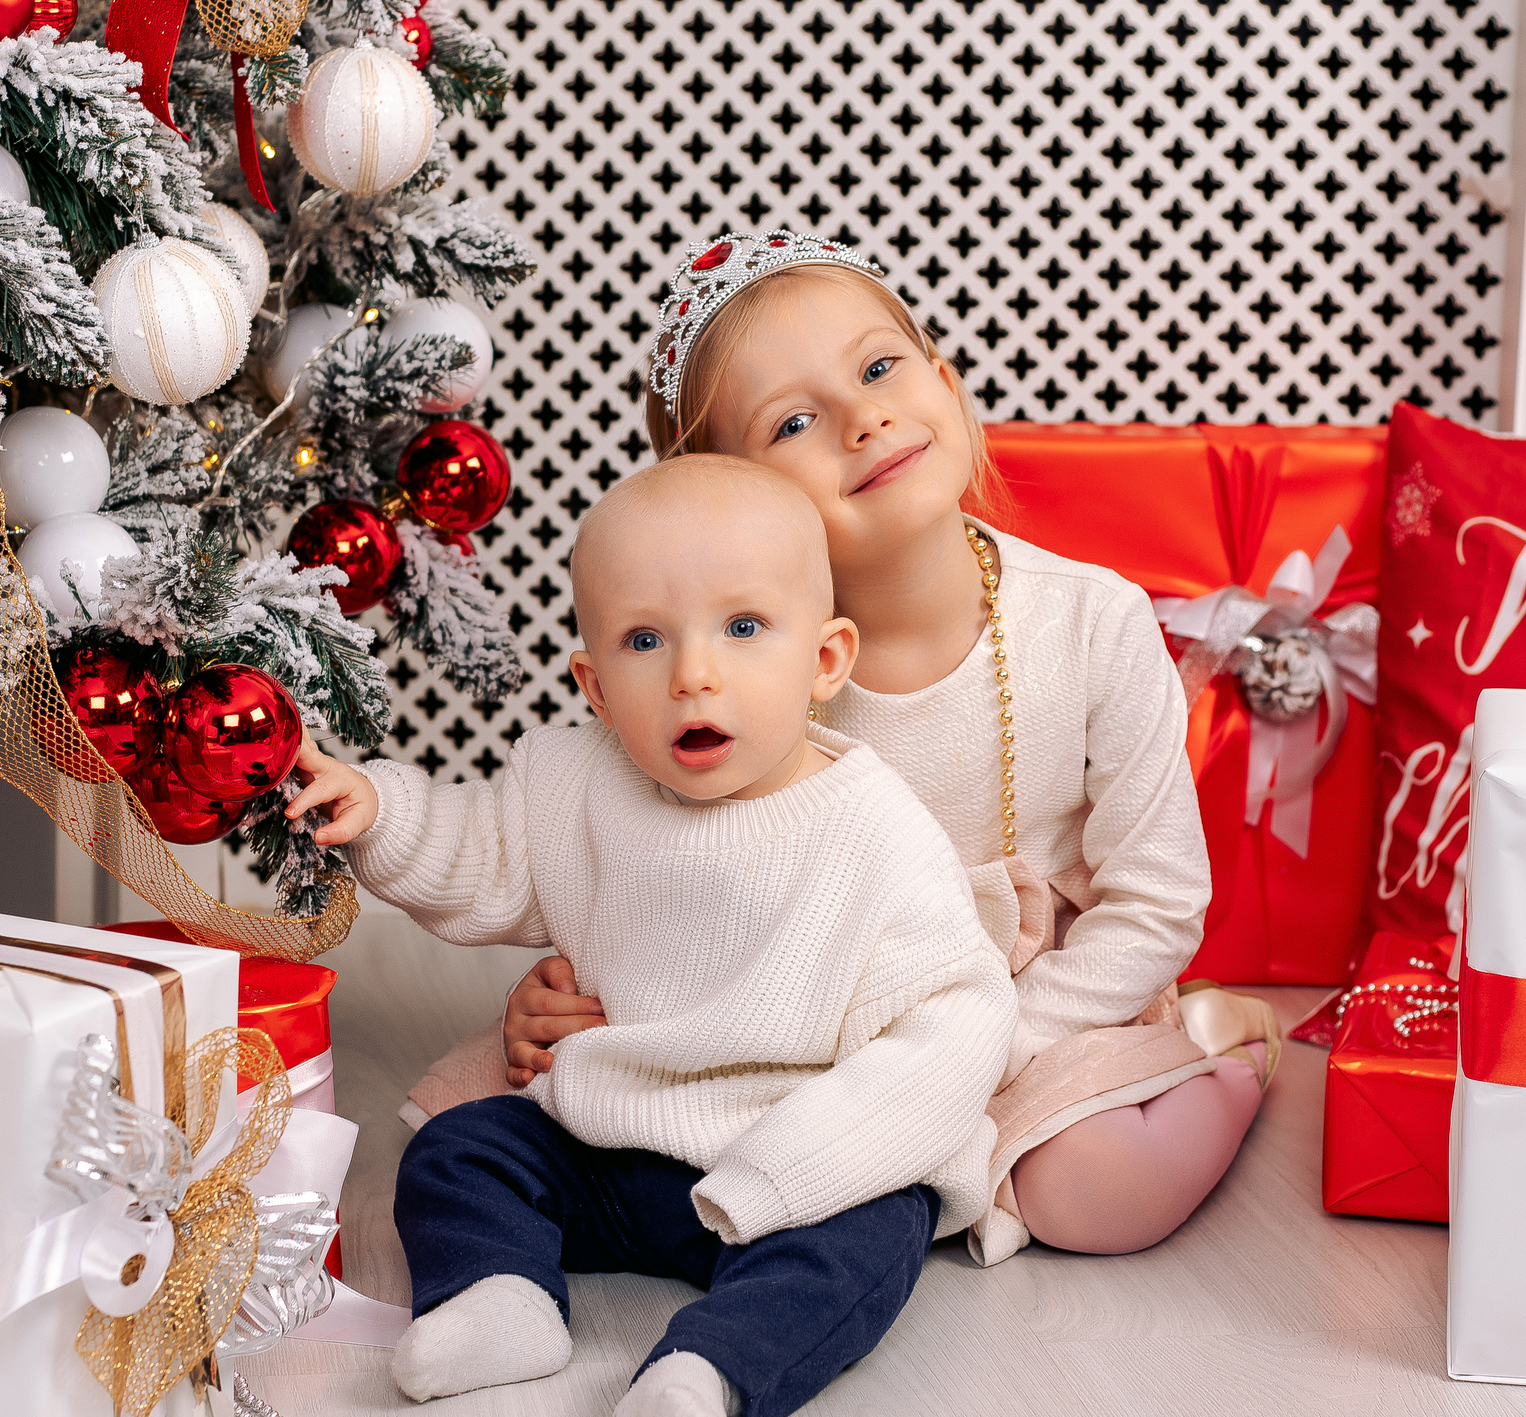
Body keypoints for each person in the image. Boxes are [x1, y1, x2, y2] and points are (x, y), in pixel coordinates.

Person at [478, 229, 1279, 1265]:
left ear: (941, 382)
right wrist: (566, 984)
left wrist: (974, 1053)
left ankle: (1232, 1054)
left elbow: (1156, 904)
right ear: (731, 495)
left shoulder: (1092, 623)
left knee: (1089, 1193)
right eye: (797, 421)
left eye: (880, 368)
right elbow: (635, 857)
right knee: (572, 1134)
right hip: (801, 1018)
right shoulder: (716, 675)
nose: (866, 419)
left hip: (1038, 1004)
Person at [288, 454, 1015, 1417]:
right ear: (594, 684)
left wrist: (791, 1170)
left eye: (745, 628)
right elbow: (481, 855)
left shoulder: (873, 831)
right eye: (643, 640)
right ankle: (499, 1299)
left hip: (789, 1159)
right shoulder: (579, 779)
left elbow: (955, 1024)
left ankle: (707, 1374)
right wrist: (381, 811)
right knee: (459, 1153)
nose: (693, 674)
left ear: (826, 658)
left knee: (875, 1237)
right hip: (616, 1139)